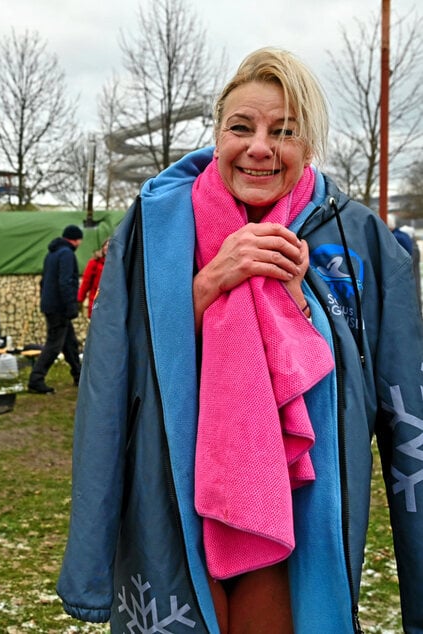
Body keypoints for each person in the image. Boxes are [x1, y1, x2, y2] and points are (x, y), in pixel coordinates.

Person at [57, 47, 423, 633]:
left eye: (284, 131)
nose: (259, 147)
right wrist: (205, 287)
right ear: (218, 132)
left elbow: (407, 415)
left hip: (299, 516)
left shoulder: (357, 246)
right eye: (241, 127)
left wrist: (301, 307)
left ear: (308, 146)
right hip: (171, 502)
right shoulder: (155, 230)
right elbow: (111, 379)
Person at [27, 224, 84, 394]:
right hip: (60, 307)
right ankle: (36, 379)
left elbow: (44, 282)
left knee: (70, 344)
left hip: (51, 304)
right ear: (75, 239)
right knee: (54, 345)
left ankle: (79, 375)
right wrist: (71, 306)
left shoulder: (51, 254)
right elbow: (65, 282)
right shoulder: (66, 255)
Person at [77, 239, 109, 318]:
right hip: (96, 303)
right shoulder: (94, 262)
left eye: (110, 246)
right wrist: (79, 299)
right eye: (105, 245)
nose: (107, 248)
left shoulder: (118, 265)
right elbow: (86, 282)